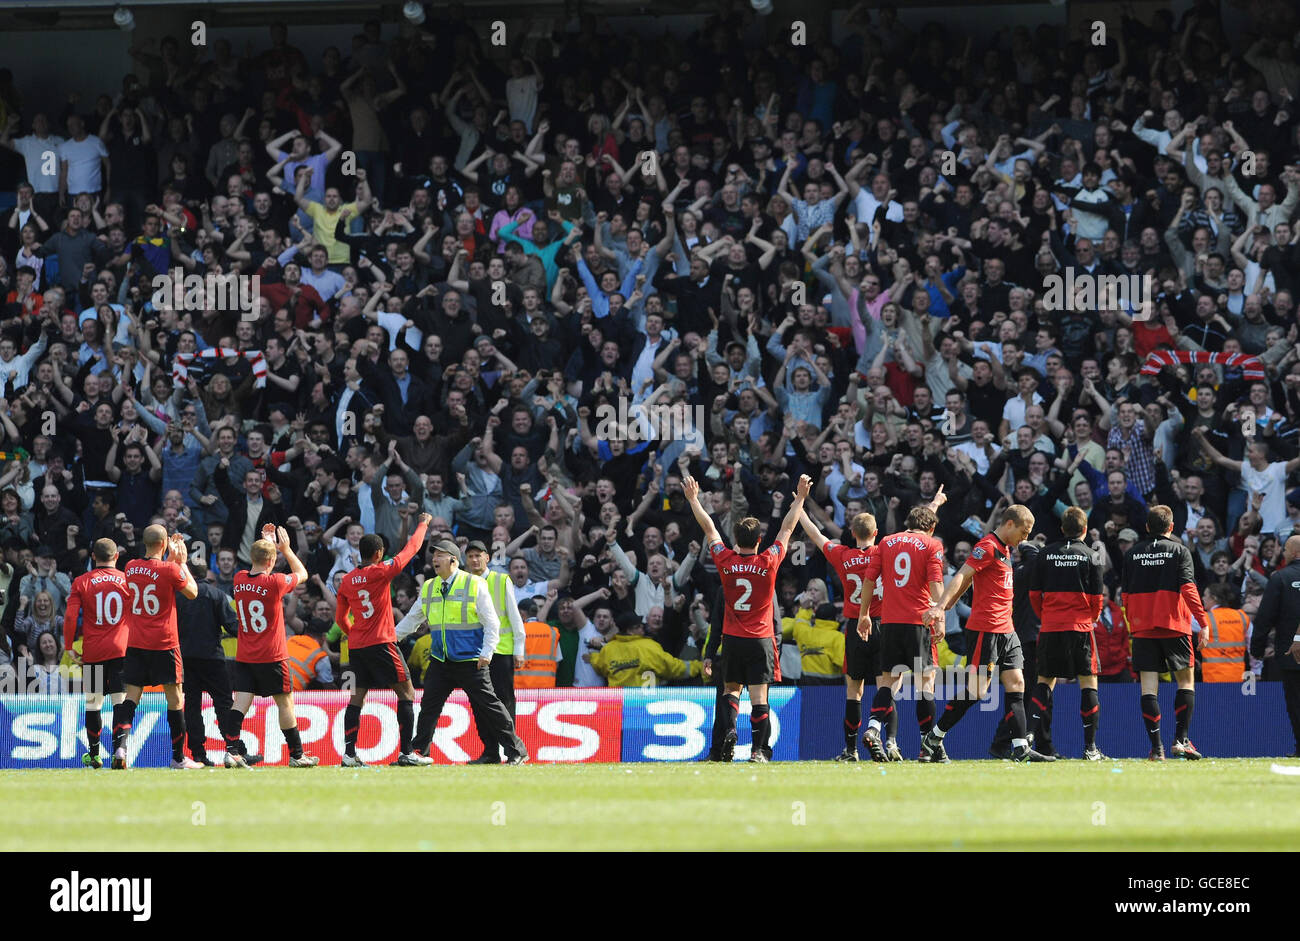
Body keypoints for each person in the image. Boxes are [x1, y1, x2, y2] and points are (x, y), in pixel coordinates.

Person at [682, 472, 812, 763]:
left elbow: (709, 528)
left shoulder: (725, 560)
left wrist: (693, 500)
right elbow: (787, 528)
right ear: (759, 540)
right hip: (761, 639)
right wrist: (800, 498)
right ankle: (758, 751)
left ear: (736, 539)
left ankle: (730, 730)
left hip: (732, 639)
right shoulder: (768, 561)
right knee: (759, 698)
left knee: (731, 691)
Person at [922, 505, 1055, 762]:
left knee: (1017, 683)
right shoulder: (988, 546)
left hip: (1007, 629)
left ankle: (1020, 748)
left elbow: (969, 581)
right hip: (986, 629)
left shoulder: (1005, 549)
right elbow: (963, 575)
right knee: (977, 691)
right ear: (1009, 524)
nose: (1025, 538)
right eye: (1024, 532)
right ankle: (934, 736)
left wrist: (949, 604)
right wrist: (940, 606)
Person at [407, 538, 529, 764]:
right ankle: (419, 752)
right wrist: (389, 638)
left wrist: (487, 652)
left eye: (440, 555)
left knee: (491, 706)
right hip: (441, 659)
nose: (434, 559)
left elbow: (492, 623)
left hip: (471, 659)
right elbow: (412, 619)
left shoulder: (475, 584)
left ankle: (516, 750)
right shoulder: (430, 586)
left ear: (453, 561)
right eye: (434, 555)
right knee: (429, 707)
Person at [335, 512, 432, 766]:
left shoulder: (346, 581)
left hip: (357, 648)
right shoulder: (381, 571)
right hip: (382, 643)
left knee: (356, 697)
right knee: (407, 693)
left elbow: (340, 619)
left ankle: (349, 754)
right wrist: (423, 524)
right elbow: (411, 549)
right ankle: (407, 752)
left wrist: (355, 633)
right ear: (379, 553)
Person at [222, 524, 319, 768]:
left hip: (246, 656)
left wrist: (266, 544)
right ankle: (297, 755)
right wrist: (285, 549)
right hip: (272, 656)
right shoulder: (275, 582)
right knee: (285, 703)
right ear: (272, 561)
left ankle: (231, 751)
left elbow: (257, 563)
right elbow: (302, 573)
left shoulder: (238, 579)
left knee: (240, 702)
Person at [1121, 505, 1209, 761]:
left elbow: (1125, 596)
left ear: (1147, 527)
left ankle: (1156, 748)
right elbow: (1189, 588)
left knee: (1149, 688)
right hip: (1174, 626)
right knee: (1186, 682)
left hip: (1143, 628)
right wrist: (1203, 622)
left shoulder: (1132, 554)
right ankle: (1181, 741)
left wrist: (1135, 620)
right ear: (1171, 527)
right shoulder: (1180, 551)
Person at [861, 502, 946, 762]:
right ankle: (927, 746)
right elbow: (935, 585)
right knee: (925, 684)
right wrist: (940, 616)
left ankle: (873, 727)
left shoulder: (886, 542)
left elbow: (869, 580)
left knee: (889, 681)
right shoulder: (932, 544)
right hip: (919, 622)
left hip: (889, 622)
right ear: (931, 528)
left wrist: (864, 614)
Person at [799, 508, 885, 761]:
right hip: (882, 624)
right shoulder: (884, 554)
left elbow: (816, 536)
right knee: (886, 686)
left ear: (852, 533)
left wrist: (800, 508)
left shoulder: (842, 555)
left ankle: (850, 749)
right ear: (876, 533)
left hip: (855, 626)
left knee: (854, 691)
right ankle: (889, 742)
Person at [112, 526, 201, 770]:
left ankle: (121, 748)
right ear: (163, 544)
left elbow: (154, 574)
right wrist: (181, 562)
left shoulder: (130, 567)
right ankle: (178, 758)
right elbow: (193, 592)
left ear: (145, 542)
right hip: (164, 643)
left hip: (136, 642)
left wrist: (169, 559)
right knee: (175, 699)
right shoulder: (170, 569)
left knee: (131, 698)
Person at [1027, 506, 1108, 760]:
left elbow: (1034, 595)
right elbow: (1097, 597)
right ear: (1085, 529)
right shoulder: (1092, 555)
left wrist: (1046, 616)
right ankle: (1090, 748)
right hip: (1081, 627)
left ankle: (1026, 739)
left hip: (1051, 627)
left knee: (1044, 682)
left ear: (1062, 529)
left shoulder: (1044, 553)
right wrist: (1091, 617)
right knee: (1088, 683)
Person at [63, 538, 129, 769]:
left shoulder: (81, 582)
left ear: (93, 557)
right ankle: (120, 750)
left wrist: (69, 645)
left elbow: (70, 616)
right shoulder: (126, 580)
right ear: (116, 556)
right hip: (121, 649)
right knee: (120, 702)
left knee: (93, 703)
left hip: (93, 651)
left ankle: (94, 755)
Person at [175, 558, 245, 767]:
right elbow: (232, 625)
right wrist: (253, 634)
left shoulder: (178, 596)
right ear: (206, 573)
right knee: (224, 703)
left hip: (186, 658)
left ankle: (198, 753)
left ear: (188, 572)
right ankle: (234, 750)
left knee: (192, 706)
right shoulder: (216, 595)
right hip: (213, 658)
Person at [1251, 535, 1300, 758]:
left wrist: (1257, 650)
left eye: (1286, 550)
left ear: (1294, 552)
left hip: (1291, 654)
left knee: (1296, 702)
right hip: (1292, 650)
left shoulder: (1281, 578)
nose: (1283, 553)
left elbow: (1265, 617)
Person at [585, 611, 703, 686]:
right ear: (630, 631)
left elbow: (599, 665)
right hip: (645, 705)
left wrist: (593, 655)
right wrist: (699, 666)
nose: (642, 628)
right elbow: (672, 667)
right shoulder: (648, 646)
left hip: (618, 706)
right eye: (639, 627)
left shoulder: (608, 649)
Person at [1199, 584, 1252, 683]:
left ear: (1214, 598)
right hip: (1238, 677)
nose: (1202, 598)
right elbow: (1252, 647)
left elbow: (1181, 619)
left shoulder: (1205, 619)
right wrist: (1256, 670)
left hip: (1213, 678)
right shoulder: (1242, 617)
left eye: (1205, 595)